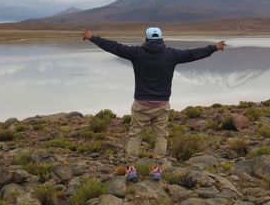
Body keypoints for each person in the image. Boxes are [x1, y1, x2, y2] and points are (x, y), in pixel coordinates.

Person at [81, 27, 225, 180]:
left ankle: (131, 169)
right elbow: (194, 53)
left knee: (135, 136)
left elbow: (114, 46)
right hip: (161, 105)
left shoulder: (137, 53)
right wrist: (214, 47)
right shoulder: (172, 54)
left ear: (145, 40)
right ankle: (157, 169)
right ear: (162, 39)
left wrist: (92, 37)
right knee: (161, 137)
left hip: (141, 104)